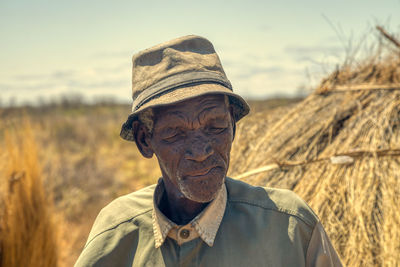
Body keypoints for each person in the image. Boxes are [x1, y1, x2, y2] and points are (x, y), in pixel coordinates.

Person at [75, 35, 342, 267]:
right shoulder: (117, 233)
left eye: (215, 126)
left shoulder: (290, 227)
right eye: (176, 133)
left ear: (233, 128)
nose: (201, 151)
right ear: (145, 141)